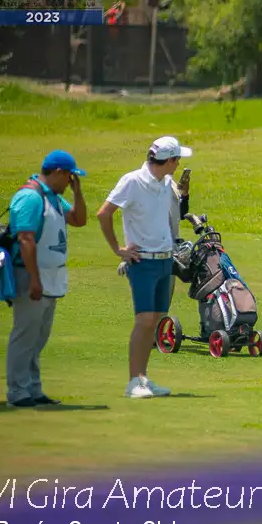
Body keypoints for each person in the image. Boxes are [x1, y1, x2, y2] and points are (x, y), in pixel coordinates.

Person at [97, 137, 192, 399]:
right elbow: (104, 213)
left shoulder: (166, 183)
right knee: (144, 321)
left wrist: (184, 195)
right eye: (177, 160)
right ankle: (133, 382)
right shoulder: (132, 181)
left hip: (165, 260)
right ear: (169, 160)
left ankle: (143, 379)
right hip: (142, 262)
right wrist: (118, 249)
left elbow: (175, 211)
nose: (179, 164)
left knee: (156, 320)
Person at [6, 150, 88, 407]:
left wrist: (77, 192)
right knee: (24, 336)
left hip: (50, 277)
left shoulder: (53, 196)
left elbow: (79, 219)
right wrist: (34, 279)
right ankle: (18, 392)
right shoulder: (31, 197)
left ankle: (33, 388)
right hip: (30, 275)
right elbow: (25, 239)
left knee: (38, 337)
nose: (70, 181)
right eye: (69, 177)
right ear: (58, 172)